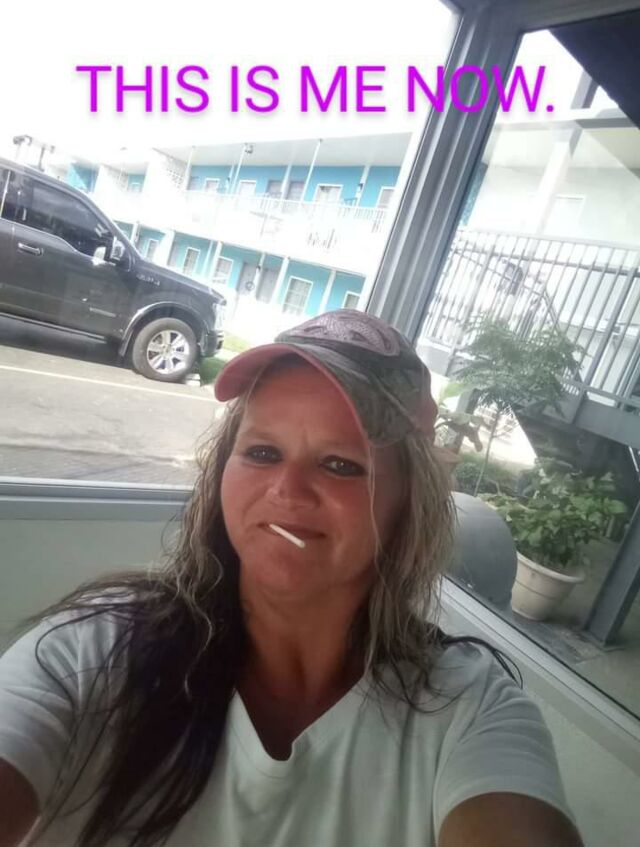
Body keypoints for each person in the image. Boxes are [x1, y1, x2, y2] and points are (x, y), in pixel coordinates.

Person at [0, 309, 583, 847]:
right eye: (262, 452)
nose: (287, 490)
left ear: (410, 503)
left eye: (340, 464)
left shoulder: (468, 709)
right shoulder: (92, 650)